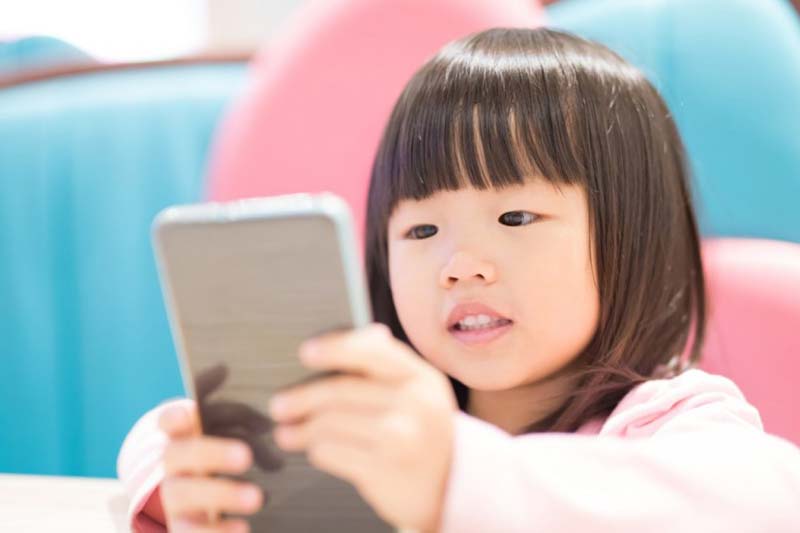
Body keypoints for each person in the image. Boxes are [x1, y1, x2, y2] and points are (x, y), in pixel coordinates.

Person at [117, 28, 800, 532]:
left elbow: (770, 498)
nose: (460, 264)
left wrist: (452, 475)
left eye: (514, 214)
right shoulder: (389, 413)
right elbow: (157, 432)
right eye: (420, 231)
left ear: (633, 236)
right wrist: (187, 482)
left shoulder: (665, 418)